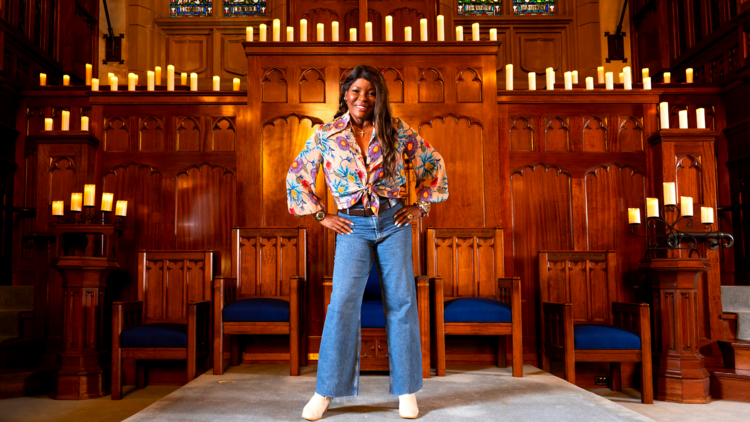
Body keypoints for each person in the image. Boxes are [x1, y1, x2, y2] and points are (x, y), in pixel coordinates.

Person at [286, 65, 448, 420]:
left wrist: (420, 205)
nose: (364, 99)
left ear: (380, 96)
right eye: (357, 91)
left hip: (393, 223)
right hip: (351, 226)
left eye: (371, 92)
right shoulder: (326, 135)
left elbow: (433, 163)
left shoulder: (395, 129)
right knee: (342, 305)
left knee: (402, 302)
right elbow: (298, 175)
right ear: (345, 94)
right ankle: (325, 391)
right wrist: (320, 215)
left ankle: (406, 390)